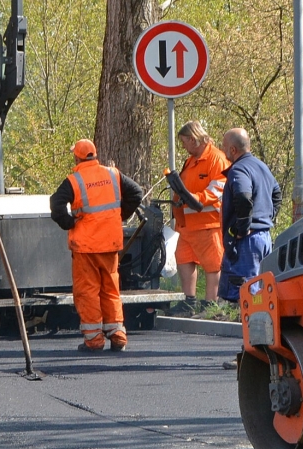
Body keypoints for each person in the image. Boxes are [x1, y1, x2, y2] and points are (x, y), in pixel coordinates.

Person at [50, 139, 144, 353]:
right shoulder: (113, 174)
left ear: (77, 157)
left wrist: (68, 222)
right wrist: (120, 215)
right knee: (111, 289)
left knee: (88, 291)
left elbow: (56, 203)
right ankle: (117, 334)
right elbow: (136, 192)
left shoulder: (74, 180)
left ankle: (94, 340)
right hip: (110, 243)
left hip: (85, 246)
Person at [166, 121, 229, 317]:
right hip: (187, 224)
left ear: (193, 139)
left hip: (208, 223)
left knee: (212, 265)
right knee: (184, 260)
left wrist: (195, 198)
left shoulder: (216, 159)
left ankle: (211, 304)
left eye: (185, 142)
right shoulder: (191, 160)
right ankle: (189, 302)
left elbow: (218, 190)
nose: (183, 146)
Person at [217, 128, 281, 303]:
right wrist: (267, 217)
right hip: (264, 237)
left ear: (233, 149)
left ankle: (242, 328)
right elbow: (277, 193)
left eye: (224, 147)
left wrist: (242, 228)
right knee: (260, 290)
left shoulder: (238, 170)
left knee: (244, 293)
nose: (222, 151)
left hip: (247, 241)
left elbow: (243, 197)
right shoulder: (261, 167)